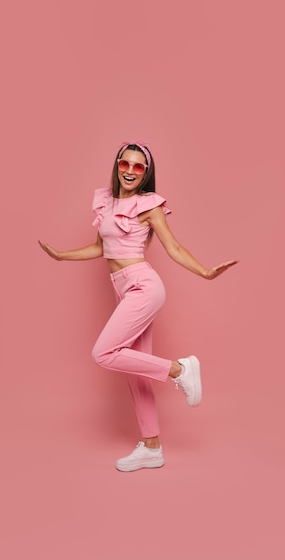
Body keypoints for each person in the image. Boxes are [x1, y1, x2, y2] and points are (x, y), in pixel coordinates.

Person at [39, 142, 238, 472]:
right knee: (135, 373)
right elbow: (100, 248)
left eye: (138, 167)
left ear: (146, 173)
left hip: (143, 286)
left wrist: (204, 271)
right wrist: (62, 255)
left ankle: (179, 370)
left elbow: (173, 246)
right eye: (125, 164)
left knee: (103, 353)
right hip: (122, 288)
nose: (130, 171)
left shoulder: (149, 206)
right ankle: (152, 447)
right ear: (117, 165)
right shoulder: (106, 201)